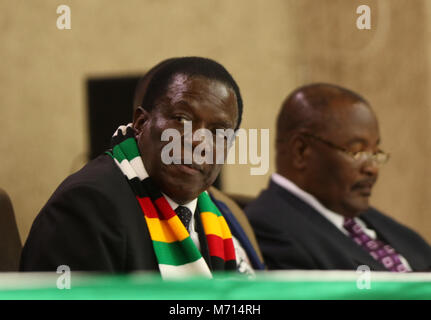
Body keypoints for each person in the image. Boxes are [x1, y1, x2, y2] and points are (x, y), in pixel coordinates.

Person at [20, 57, 265, 277]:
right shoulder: (87, 205)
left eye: (218, 132)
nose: (199, 141)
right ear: (140, 123)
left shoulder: (214, 215)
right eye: (181, 119)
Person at [245, 83, 431, 272]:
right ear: (301, 151)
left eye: (375, 153)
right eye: (356, 152)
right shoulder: (269, 228)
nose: (372, 168)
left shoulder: (364, 218)